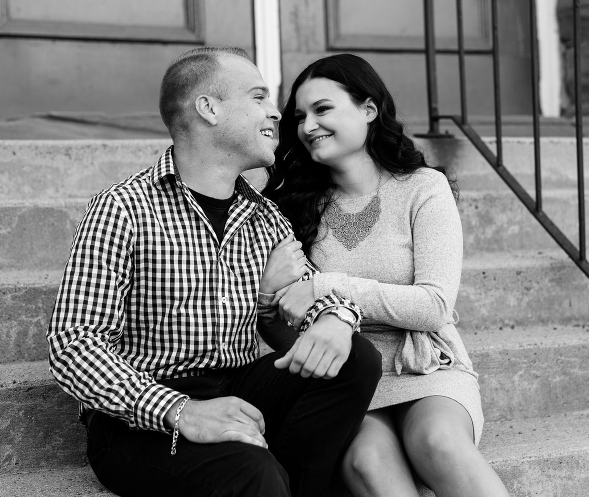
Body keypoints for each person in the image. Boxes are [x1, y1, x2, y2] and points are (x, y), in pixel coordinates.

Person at [47, 47, 382, 497]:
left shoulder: (266, 218)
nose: (276, 113)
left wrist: (338, 318)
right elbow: (74, 344)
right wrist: (182, 411)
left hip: (241, 389)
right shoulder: (124, 208)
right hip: (144, 415)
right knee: (251, 472)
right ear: (208, 108)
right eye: (259, 97)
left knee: (356, 359)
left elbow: (306, 293)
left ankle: (292, 485)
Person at [261, 54, 509, 497]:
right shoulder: (292, 207)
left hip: (428, 366)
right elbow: (280, 316)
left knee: (439, 443)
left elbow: (433, 306)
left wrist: (323, 287)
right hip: (345, 379)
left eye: (322, 109)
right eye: (299, 117)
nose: (307, 126)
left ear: (369, 110)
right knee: (368, 460)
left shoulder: (423, 189)